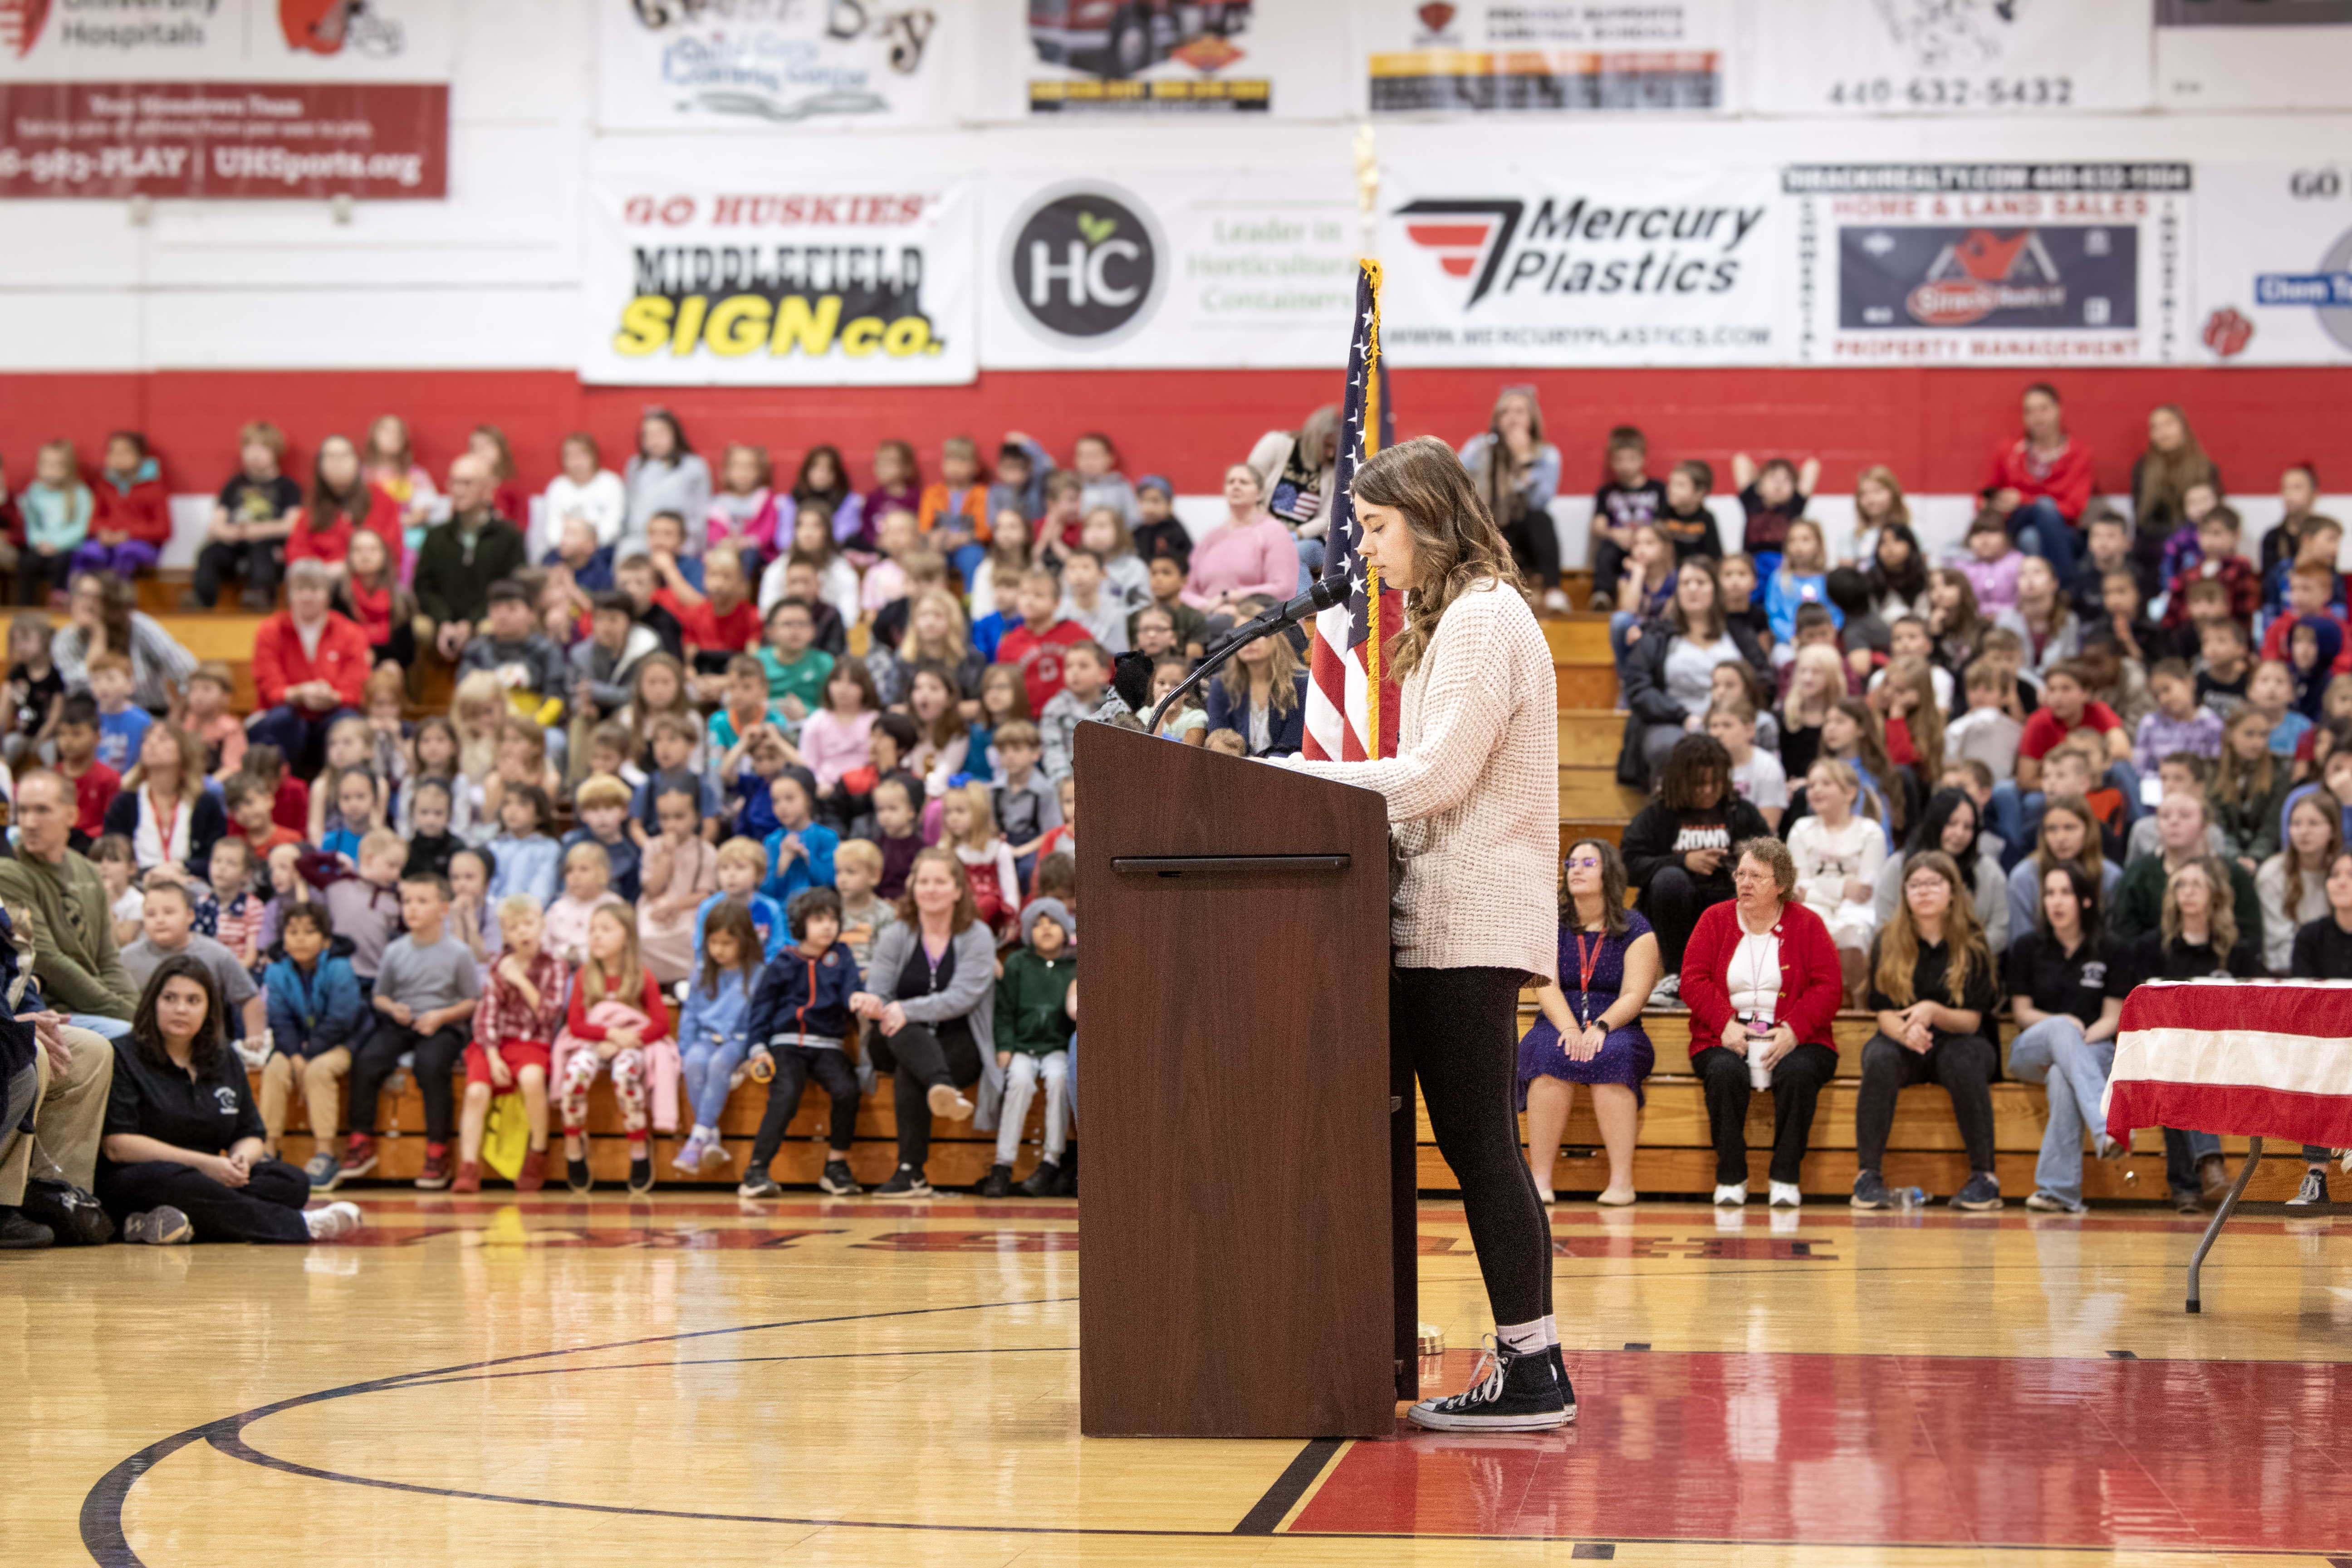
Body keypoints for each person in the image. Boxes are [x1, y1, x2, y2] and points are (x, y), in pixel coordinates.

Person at [1276, 437, 1567, 1431]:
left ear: (1431, 516)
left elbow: (1437, 780)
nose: (1366, 547)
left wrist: (1296, 781)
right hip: (1452, 915)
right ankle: (1530, 1364)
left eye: (1378, 525)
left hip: (1469, 919)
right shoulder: (1465, 620)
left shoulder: (1485, 620)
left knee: (1483, 1145)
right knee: (1478, 1142)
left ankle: (1534, 1370)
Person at [98, 956, 362, 1244]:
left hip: (212, 1176)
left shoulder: (225, 1058)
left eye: (193, 1000)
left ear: (210, 1007)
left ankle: (160, 1223)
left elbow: (251, 1133)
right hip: (144, 1176)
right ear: (153, 1002)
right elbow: (117, 1146)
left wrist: (240, 1162)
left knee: (292, 1182)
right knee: (179, 1183)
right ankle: (299, 1225)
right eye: (170, 998)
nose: (181, 1009)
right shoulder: (123, 1054)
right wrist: (205, 1165)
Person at [1679, 837, 1844, 1209]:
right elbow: (1692, 979)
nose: (1745, 883)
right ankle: (1731, 1176)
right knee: (1723, 1072)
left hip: (1796, 1036)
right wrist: (1725, 1022)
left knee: (1799, 1072)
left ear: (1781, 884)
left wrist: (1794, 1031)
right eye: (1741, 873)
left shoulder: (1808, 923)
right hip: (1724, 1034)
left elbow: (1829, 986)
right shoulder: (1715, 919)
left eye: (1757, 876)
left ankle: (1785, 1177)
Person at [1852, 850, 2004, 1211]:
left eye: (1934, 883)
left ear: (1953, 890)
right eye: (1915, 884)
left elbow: (1972, 1020)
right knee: (1879, 1058)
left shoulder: (1974, 943)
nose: (1924, 891)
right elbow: (1883, 1012)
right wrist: (1905, 1033)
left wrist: (1933, 1012)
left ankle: (1985, 1177)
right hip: (1903, 1037)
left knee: (1963, 1060)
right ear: (1904, 892)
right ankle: (1868, 1176)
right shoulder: (1888, 939)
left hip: (1961, 1038)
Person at [1519, 841, 1656, 1207]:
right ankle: (1541, 1179)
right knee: (1547, 1052)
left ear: (1608, 872)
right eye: (1571, 862)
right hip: (1558, 1017)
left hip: (1616, 1021)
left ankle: (1621, 1182)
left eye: (1588, 862)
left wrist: (1601, 1026)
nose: (1576, 869)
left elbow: (1634, 993)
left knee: (1614, 1055)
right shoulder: (1551, 923)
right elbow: (1544, 983)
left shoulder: (1635, 926)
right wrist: (1568, 1028)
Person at [853, 848, 995, 1198]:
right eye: (923, 881)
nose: (930, 889)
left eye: (940, 881)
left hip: (957, 1043)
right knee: (903, 1035)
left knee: (911, 1064)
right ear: (913, 886)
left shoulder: (978, 935)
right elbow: (880, 993)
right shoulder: (897, 934)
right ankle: (941, 1087)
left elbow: (964, 996)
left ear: (958, 889)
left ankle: (910, 1172)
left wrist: (906, 1009)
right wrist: (873, 1002)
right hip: (893, 1038)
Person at [2130, 856, 2260, 1213]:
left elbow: (2251, 1006)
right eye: (2180, 885)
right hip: (2167, 1046)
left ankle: (2186, 1185)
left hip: (2227, 1048)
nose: (2187, 892)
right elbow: (2144, 1006)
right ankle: (2206, 1164)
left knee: (2178, 1067)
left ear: (2215, 895)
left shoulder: (2238, 950)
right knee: (2177, 1061)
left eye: (2196, 884)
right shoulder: (2154, 947)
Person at [341, 871, 481, 1192]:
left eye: (422, 901)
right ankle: (361, 1140)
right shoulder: (395, 950)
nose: (412, 908)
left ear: (443, 909)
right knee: (367, 1059)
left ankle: (437, 1151)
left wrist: (442, 1015)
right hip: (402, 1023)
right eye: (407, 901)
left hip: (443, 1025)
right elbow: (380, 996)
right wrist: (393, 1008)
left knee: (431, 1066)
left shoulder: (458, 952)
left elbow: (473, 1001)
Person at [2006, 863, 2125, 1214]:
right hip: (2032, 1049)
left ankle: (2058, 1192)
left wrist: (2078, 1039)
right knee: (2060, 1030)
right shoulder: (2028, 947)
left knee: (2063, 1074)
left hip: (2092, 1047)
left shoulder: (2111, 948)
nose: (2056, 901)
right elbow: (2022, 1013)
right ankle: (2107, 1129)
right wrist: (2063, 1026)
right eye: (2050, 893)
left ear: (2086, 901)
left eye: (2066, 892)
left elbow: (2113, 1018)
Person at [738, 889, 867, 1200]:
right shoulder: (783, 961)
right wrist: (757, 1046)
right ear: (799, 924)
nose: (827, 926)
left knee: (848, 1089)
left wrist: (860, 998)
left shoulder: (843, 956)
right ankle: (756, 1170)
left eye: (833, 919)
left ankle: (836, 1166)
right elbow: (762, 1009)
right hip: (786, 1044)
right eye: (818, 919)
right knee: (786, 1095)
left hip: (828, 1044)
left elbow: (852, 992)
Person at [1621, 734, 1771, 986]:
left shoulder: (1741, 812)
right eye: (1700, 784)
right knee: (1671, 879)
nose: (1709, 791)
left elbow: (1773, 862)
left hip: (1726, 911)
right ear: (1681, 781)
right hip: (1671, 914)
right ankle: (1676, 978)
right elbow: (1628, 866)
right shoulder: (1658, 815)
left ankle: (1737, 978)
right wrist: (1683, 862)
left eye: (1716, 782)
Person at [0, 772, 139, 1028]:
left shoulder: (87, 869)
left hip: (98, 1005)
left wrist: (138, 1011)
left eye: (42, 810)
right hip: (53, 1013)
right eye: (23, 811)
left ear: (71, 816)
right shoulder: (8, 872)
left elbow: (108, 959)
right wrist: (136, 1019)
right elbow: (49, 962)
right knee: (134, 1035)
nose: (29, 822)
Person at [554, 903, 673, 1196]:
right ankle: (573, 1145)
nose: (596, 936)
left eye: (606, 929)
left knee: (625, 1073)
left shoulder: (643, 975)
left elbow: (660, 1024)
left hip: (630, 1044)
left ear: (627, 936)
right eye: (593, 929)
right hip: (596, 1042)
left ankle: (638, 1148)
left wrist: (625, 1039)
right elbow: (576, 1024)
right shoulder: (584, 975)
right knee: (575, 1074)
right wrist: (609, 1034)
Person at [1619, 557, 1767, 786]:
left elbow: (1765, 677)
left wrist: (1738, 705)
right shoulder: (1657, 635)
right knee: (1666, 745)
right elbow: (1638, 688)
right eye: (1686, 583)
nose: (1693, 589)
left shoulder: (1737, 632)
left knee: (1767, 725)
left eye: (1701, 582)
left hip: (1733, 716)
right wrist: (1683, 716)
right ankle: (1669, 815)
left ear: (1715, 589)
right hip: (1675, 720)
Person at [452, 894, 565, 1195]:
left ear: (541, 925)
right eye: (513, 927)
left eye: (528, 924)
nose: (522, 931)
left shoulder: (554, 964)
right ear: (505, 933)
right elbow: (486, 1013)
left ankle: (537, 1153)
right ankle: (468, 1166)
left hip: (532, 1041)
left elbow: (548, 1015)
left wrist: (521, 980)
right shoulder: (497, 965)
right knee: (476, 1091)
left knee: (532, 1078)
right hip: (493, 1043)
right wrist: (492, 1055)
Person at [256, 902, 365, 1185]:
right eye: (292, 932)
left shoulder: (340, 967)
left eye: (309, 932)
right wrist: (294, 1057)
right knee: (275, 1068)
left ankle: (325, 1155)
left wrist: (307, 1057)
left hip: (343, 1042)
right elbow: (279, 1020)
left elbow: (341, 1019)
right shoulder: (277, 971)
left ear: (326, 940)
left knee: (318, 1071)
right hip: (298, 1047)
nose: (300, 938)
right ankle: (267, 1151)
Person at [246, 558, 372, 777]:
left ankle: (344, 792)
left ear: (327, 593)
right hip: (287, 716)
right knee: (282, 718)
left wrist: (334, 697)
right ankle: (283, 790)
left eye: (314, 589)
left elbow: (354, 687)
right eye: (299, 588)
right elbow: (269, 686)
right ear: (289, 593)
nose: (307, 596)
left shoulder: (351, 633)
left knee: (348, 721)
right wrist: (299, 693)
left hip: (332, 714)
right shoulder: (269, 631)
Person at [1459, 386, 1565, 613]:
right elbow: (1457, 484)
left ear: (1532, 419)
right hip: (1487, 523)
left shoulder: (1547, 455)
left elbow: (1538, 502)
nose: (1513, 418)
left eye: (1520, 411)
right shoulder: (1479, 447)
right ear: (1497, 419)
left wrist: (1524, 460)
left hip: (1524, 528)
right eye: (1506, 412)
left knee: (1542, 520)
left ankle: (1554, 590)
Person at [416, 453, 529, 665]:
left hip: (488, 617)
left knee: (493, 626)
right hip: (444, 620)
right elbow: (424, 586)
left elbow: (511, 587)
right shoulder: (436, 536)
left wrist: (471, 622)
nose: (458, 490)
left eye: (467, 483)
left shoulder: (509, 537)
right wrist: (444, 622)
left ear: (488, 488)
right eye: (454, 482)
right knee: (418, 628)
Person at [1788, 759, 1886, 996]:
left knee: (1853, 931)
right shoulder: (1801, 829)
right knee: (1808, 922)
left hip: (1856, 909)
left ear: (1850, 793)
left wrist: (1817, 890)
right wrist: (1842, 887)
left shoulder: (1870, 832)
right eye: (1811, 785)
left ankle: (1860, 1004)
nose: (1816, 790)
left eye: (1826, 783)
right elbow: (1798, 886)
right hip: (1815, 905)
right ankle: (1811, 1002)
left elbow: (1865, 892)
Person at [2286, 849, 2352, 1206]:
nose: (2340, 881)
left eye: (2349, 874)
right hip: (2327, 1038)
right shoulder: (2311, 935)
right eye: (2335, 874)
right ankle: (2316, 1175)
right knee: (2317, 1059)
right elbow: (2303, 998)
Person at [1878, 787, 2010, 958]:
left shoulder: (1989, 871)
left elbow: (2000, 931)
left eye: (1968, 827)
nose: (1960, 833)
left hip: (1969, 966)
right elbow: (1883, 924)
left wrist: (1959, 954)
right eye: (1952, 823)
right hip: (1907, 961)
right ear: (1936, 822)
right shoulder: (1898, 866)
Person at [1984, 382, 2092, 590]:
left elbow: (2075, 508)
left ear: (2059, 410)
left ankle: (2043, 597)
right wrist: (1998, 501)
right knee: (2036, 517)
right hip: (2016, 522)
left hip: (2063, 529)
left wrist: (2024, 500)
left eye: (2043, 409)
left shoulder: (2079, 453)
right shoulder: (2008, 450)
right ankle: (2067, 591)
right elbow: (1984, 495)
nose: (2037, 417)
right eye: (2029, 411)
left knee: (2033, 534)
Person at [50, 572, 196, 716]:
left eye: (95, 597)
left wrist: (178, 714)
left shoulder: (139, 626)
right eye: (81, 596)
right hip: (94, 722)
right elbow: (78, 685)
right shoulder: (65, 639)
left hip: (148, 715)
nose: (86, 604)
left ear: (111, 601)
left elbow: (186, 669)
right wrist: (99, 634)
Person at [1182, 464, 1299, 625]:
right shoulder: (1211, 538)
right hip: (1211, 621)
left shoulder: (1274, 531)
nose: (1236, 486)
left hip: (1262, 624)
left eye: (1244, 482)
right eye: (1231, 482)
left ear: (1260, 494)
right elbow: (1187, 591)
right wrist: (1209, 607)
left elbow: (1283, 589)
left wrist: (1230, 597)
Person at [2259, 790, 2342, 973]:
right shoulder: (2272, 874)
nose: (2303, 832)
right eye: (2296, 824)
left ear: (2334, 830)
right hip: (2290, 976)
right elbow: (2277, 948)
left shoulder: (2343, 873)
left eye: (2314, 824)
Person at [1202, 620, 1308, 759]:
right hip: (1235, 770)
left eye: (1257, 634)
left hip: (1284, 773)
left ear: (1275, 639)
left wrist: (1258, 764)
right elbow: (1217, 741)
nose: (1250, 641)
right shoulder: (1221, 685)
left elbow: (1295, 748)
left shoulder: (1302, 684)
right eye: (1243, 635)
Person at [622, 407, 713, 556]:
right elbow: (630, 509)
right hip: (641, 543)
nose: (654, 440)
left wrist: (690, 547)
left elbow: (700, 513)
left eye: (660, 433)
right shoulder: (635, 466)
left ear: (675, 434)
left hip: (679, 545)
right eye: (648, 435)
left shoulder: (694, 466)